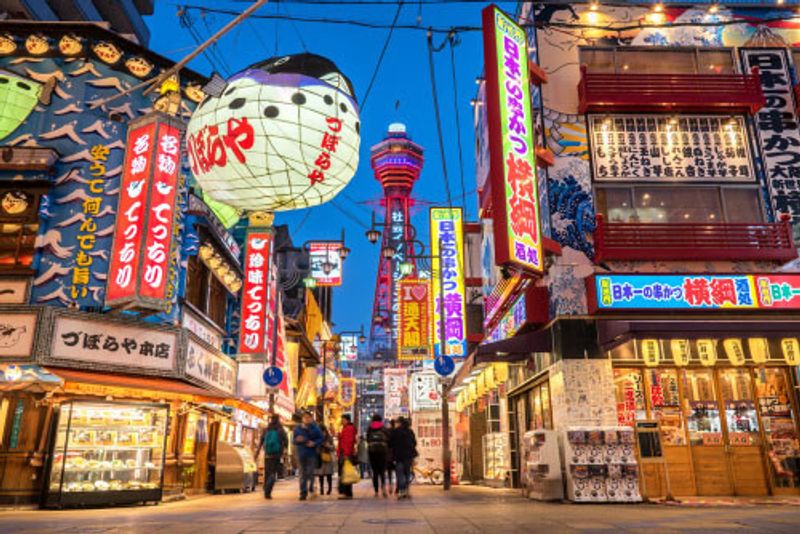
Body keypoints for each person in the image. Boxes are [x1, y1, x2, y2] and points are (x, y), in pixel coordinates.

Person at [254, 414, 288, 499]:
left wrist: (257, 453)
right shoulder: (280, 429)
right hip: (277, 454)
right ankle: (268, 491)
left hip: (267, 454)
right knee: (273, 473)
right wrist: (285, 450)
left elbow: (261, 441)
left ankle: (266, 488)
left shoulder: (266, 429)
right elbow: (286, 440)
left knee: (267, 472)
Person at [293, 410, 323, 501]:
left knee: (310, 472)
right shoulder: (297, 428)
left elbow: (321, 438)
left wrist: (314, 443)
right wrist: (297, 440)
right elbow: (293, 441)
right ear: (302, 419)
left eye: (308, 417)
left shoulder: (315, 428)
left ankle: (311, 487)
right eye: (305, 417)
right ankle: (303, 493)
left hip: (311, 453)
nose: (306, 419)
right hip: (301, 453)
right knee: (302, 474)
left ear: (311, 418)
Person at [389, 416, 417, 499]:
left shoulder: (395, 431)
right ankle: (407, 491)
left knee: (400, 474)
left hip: (398, 456)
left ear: (399, 423)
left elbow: (390, 443)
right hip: (408, 455)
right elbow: (414, 443)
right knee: (407, 473)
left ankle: (401, 491)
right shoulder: (410, 431)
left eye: (397, 422)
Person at [366, 414, 390, 498]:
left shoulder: (370, 428)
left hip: (372, 452)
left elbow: (367, 439)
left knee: (375, 472)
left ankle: (376, 492)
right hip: (383, 452)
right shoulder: (384, 428)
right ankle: (383, 487)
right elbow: (388, 439)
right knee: (382, 472)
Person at [337, 414, 357, 499]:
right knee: (346, 473)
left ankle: (346, 493)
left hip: (346, 454)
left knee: (345, 474)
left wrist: (346, 454)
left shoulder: (349, 429)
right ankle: (348, 493)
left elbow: (348, 442)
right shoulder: (347, 428)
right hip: (346, 454)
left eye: (343, 419)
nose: (342, 421)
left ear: (347, 420)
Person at [315, 424, 336, 495]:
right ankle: (321, 489)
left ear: (325, 431)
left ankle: (329, 488)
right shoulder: (317, 438)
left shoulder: (329, 438)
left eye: (322, 431)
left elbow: (333, 448)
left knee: (328, 475)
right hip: (320, 457)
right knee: (320, 475)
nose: (322, 433)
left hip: (327, 458)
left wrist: (328, 446)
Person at [385, 419, 396, 493]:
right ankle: (397, 488)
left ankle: (390, 485)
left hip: (388, 453)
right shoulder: (396, 431)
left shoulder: (387, 431)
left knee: (389, 471)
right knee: (398, 471)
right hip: (396, 453)